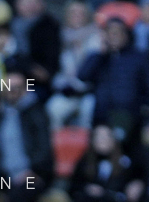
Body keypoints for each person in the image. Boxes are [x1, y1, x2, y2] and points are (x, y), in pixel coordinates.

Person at [78, 17, 149, 150]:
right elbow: (82, 76)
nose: (114, 36)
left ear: (126, 35)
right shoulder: (99, 56)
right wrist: (101, 53)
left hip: (131, 115)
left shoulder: (139, 57)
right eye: (110, 32)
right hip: (102, 116)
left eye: (118, 32)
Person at [0, 66, 55, 202]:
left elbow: (43, 148)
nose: (12, 91)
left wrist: (32, 170)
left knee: (20, 195)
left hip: (33, 173)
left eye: (16, 87)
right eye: (8, 87)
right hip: (4, 175)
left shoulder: (36, 112)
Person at [68, 124, 145, 202]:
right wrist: (87, 188)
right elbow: (73, 187)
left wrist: (105, 193)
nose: (103, 140)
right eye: (99, 136)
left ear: (114, 139)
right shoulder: (84, 162)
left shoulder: (124, 162)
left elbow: (128, 188)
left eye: (107, 136)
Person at [47, 0, 102, 129]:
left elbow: (92, 68)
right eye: (73, 13)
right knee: (53, 108)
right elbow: (59, 69)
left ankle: (86, 141)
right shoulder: (60, 36)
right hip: (67, 90)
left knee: (89, 110)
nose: (77, 16)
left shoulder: (97, 36)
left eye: (81, 13)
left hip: (89, 91)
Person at [12, 0, 61, 88]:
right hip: (15, 72)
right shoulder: (9, 25)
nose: (30, 6)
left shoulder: (50, 25)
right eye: (26, 2)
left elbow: (52, 56)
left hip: (40, 78)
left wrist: (44, 71)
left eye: (34, 2)